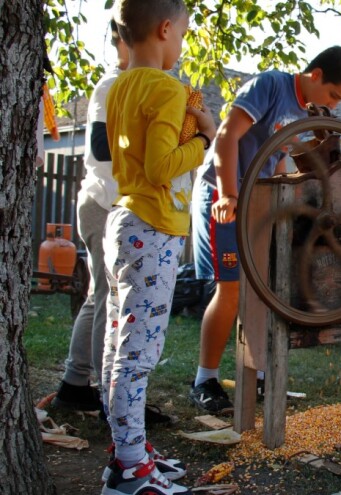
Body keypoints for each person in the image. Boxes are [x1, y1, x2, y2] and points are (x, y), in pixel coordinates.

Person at [188, 46, 341, 413]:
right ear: (315, 75)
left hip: (257, 199)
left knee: (263, 291)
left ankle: (261, 375)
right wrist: (229, 194)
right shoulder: (270, 85)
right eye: (333, 95)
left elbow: (277, 159)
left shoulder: (304, 111)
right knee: (231, 289)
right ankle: (204, 380)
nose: (332, 105)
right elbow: (226, 136)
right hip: (223, 194)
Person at [101, 0, 216, 493]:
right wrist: (205, 138)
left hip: (124, 221)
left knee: (116, 345)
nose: (182, 45)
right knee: (139, 353)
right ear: (166, 28)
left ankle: (126, 447)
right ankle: (130, 471)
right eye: (183, 35)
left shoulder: (119, 87)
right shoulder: (168, 88)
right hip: (152, 229)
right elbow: (161, 166)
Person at [51, 20, 170, 426]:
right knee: (110, 300)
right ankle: (109, 397)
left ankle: (74, 384)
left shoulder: (139, 85)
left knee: (97, 295)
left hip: (111, 203)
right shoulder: (111, 86)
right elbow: (102, 147)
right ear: (123, 41)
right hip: (105, 203)